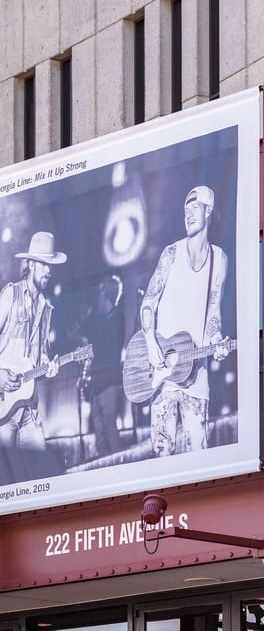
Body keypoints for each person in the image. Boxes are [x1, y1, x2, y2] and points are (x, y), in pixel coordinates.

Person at [139, 185, 229, 456]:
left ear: (208, 211)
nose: (189, 214)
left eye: (195, 208)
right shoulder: (171, 254)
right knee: (162, 456)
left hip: (196, 377)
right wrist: (151, 342)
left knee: (198, 459)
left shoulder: (219, 259)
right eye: (186, 210)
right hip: (164, 376)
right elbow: (148, 303)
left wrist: (216, 340)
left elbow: (214, 312)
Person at [0, 231, 66, 449]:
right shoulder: (11, 294)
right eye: (45, 265)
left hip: (30, 406)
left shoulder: (47, 309)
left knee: (38, 472)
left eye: (51, 266)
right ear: (32, 264)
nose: (49, 271)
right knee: (2, 476)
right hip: (1, 402)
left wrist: (50, 368)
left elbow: (39, 361)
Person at [79, 275, 125, 458]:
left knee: (109, 428)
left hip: (109, 383)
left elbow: (105, 349)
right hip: (97, 384)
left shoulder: (116, 318)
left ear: (105, 293)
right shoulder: (99, 320)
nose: (97, 295)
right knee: (99, 436)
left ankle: (120, 470)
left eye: (100, 291)